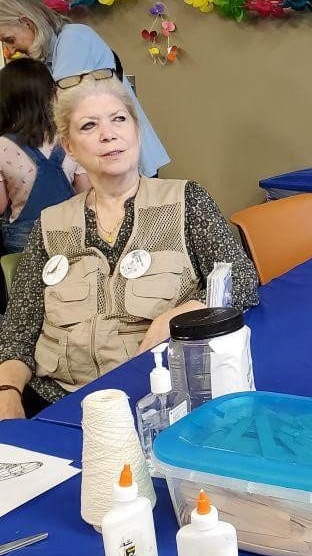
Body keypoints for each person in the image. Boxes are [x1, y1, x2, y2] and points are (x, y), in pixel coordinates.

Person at [0, 76, 258, 418]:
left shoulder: (185, 201)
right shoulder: (50, 224)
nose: (108, 134)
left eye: (119, 119)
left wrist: (179, 314)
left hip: (156, 396)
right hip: (57, 402)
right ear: (69, 146)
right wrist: (7, 392)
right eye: (89, 125)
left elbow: (240, 279)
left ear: (137, 131)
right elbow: (19, 326)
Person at [0, 0, 169, 177]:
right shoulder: (48, 56)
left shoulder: (74, 39)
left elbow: (57, 107)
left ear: (26, 23)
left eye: (10, 39)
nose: (11, 48)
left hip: (121, 156)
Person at [0, 58, 89, 253]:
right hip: (70, 232)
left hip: (23, 239)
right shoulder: (71, 138)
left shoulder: (2, 146)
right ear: (51, 94)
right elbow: (86, 194)